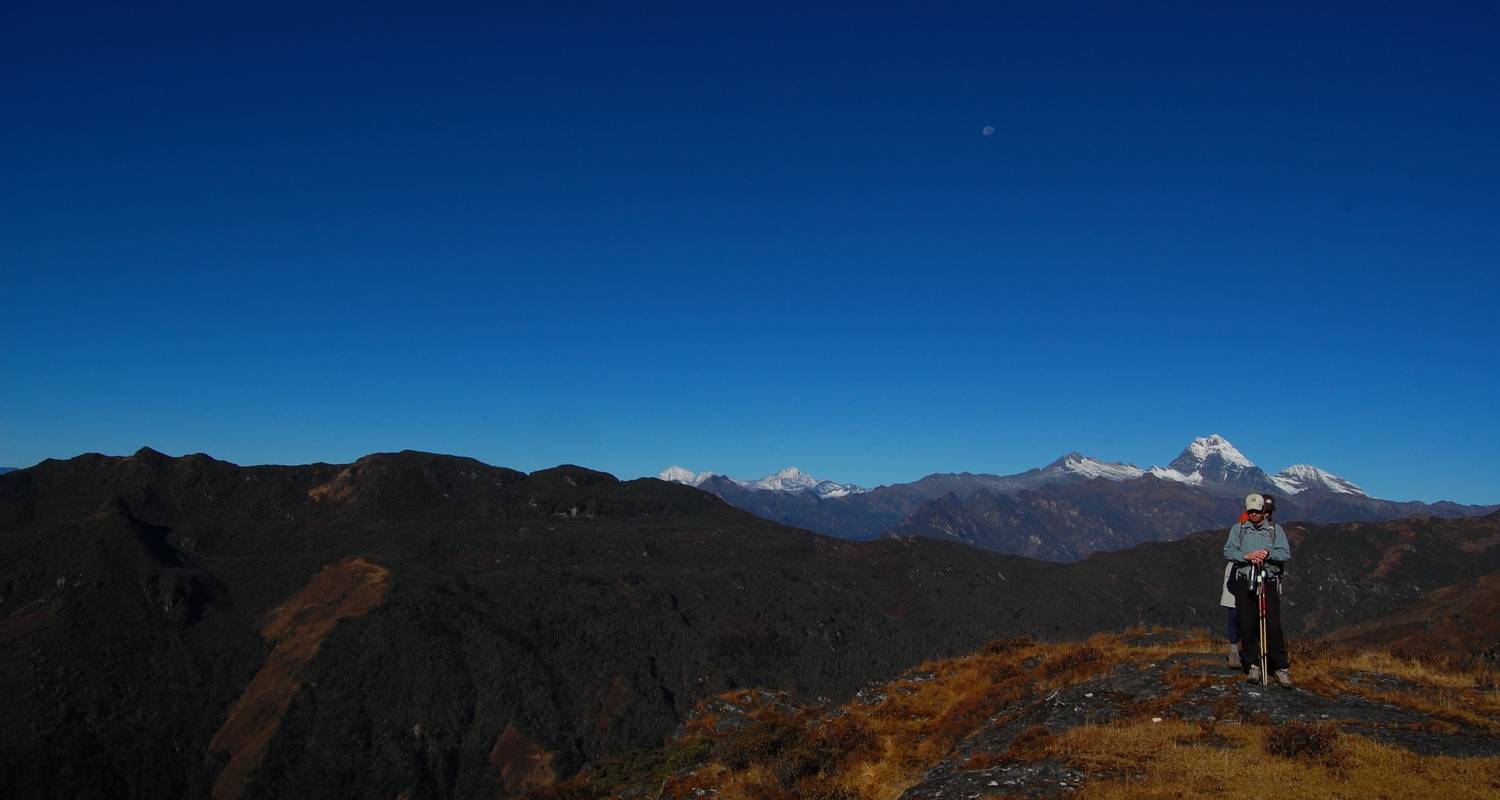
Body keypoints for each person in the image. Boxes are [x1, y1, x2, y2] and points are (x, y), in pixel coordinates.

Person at [1223, 493, 1292, 687]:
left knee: (1272, 624)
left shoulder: (1275, 530)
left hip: (1267, 580)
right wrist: (1246, 556)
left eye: (1256, 511)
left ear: (1264, 511)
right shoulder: (1238, 530)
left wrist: (1268, 554)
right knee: (1247, 623)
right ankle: (1253, 664)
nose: (1253, 514)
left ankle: (1280, 667)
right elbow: (1228, 551)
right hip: (1245, 579)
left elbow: (1285, 553)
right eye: (1250, 511)